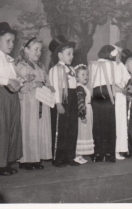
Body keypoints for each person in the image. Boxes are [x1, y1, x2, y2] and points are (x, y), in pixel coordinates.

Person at [16, 37, 53, 170]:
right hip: (28, 103)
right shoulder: (21, 66)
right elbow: (20, 86)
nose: (38, 53)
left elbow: (45, 81)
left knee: (37, 129)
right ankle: (26, 160)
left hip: (40, 102)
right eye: (35, 49)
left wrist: (49, 86)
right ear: (26, 50)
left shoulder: (41, 66)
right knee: (29, 129)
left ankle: (35, 157)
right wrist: (33, 84)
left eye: (40, 50)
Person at [88, 45, 123, 163]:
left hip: (96, 94)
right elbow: (118, 80)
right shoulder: (113, 65)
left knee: (97, 124)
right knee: (109, 124)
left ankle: (98, 153)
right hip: (107, 94)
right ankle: (109, 154)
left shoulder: (92, 64)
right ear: (111, 55)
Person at [0, 22, 23, 176]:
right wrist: (8, 81)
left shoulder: (9, 60)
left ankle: (5, 161)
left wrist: (19, 82)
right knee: (1, 129)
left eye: (13, 41)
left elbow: (15, 78)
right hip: (0, 96)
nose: (11, 44)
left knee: (11, 128)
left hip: (11, 96)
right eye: (8, 41)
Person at [49, 37, 79, 167]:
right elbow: (54, 87)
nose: (71, 56)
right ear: (59, 55)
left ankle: (69, 156)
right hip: (62, 100)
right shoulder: (55, 69)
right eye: (68, 54)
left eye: (72, 53)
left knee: (72, 128)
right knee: (60, 129)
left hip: (72, 99)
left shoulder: (71, 69)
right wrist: (58, 103)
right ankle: (58, 157)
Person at [74, 64, 94, 164]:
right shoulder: (79, 88)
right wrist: (82, 115)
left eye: (87, 74)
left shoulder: (84, 87)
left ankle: (80, 154)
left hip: (88, 110)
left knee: (85, 132)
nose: (86, 76)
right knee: (81, 133)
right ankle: (77, 155)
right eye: (82, 74)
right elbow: (80, 102)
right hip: (84, 111)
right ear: (76, 77)